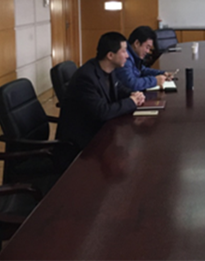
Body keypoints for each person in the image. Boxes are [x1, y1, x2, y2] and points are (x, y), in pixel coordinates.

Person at [56, 32, 146, 166]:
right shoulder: (86, 77)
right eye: (123, 51)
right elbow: (102, 112)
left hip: (98, 132)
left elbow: (118, 88)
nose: (127, 55)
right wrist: (131, 102)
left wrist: (134, 94)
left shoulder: (108, 69)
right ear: (110, 55)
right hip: (81, 145)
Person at [115, 26, 175, 90]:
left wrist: (162, 73)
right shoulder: (125, 58)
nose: (148, 51)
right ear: (137, 43)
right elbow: (131, 84)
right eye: (147, 47)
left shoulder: (133, 55)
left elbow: (142, 70)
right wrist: (155, 81)